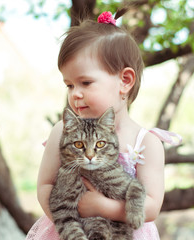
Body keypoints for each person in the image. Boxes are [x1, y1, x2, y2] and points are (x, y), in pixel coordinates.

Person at [26, 9, 181, 240]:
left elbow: (151, 206)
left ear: (125, 81)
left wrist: (101, 206)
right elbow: (45, 186)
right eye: (69, 85)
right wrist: (67, 225)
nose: (75, 94)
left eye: (85, 82)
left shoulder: (146, 142)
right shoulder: (63, 131)